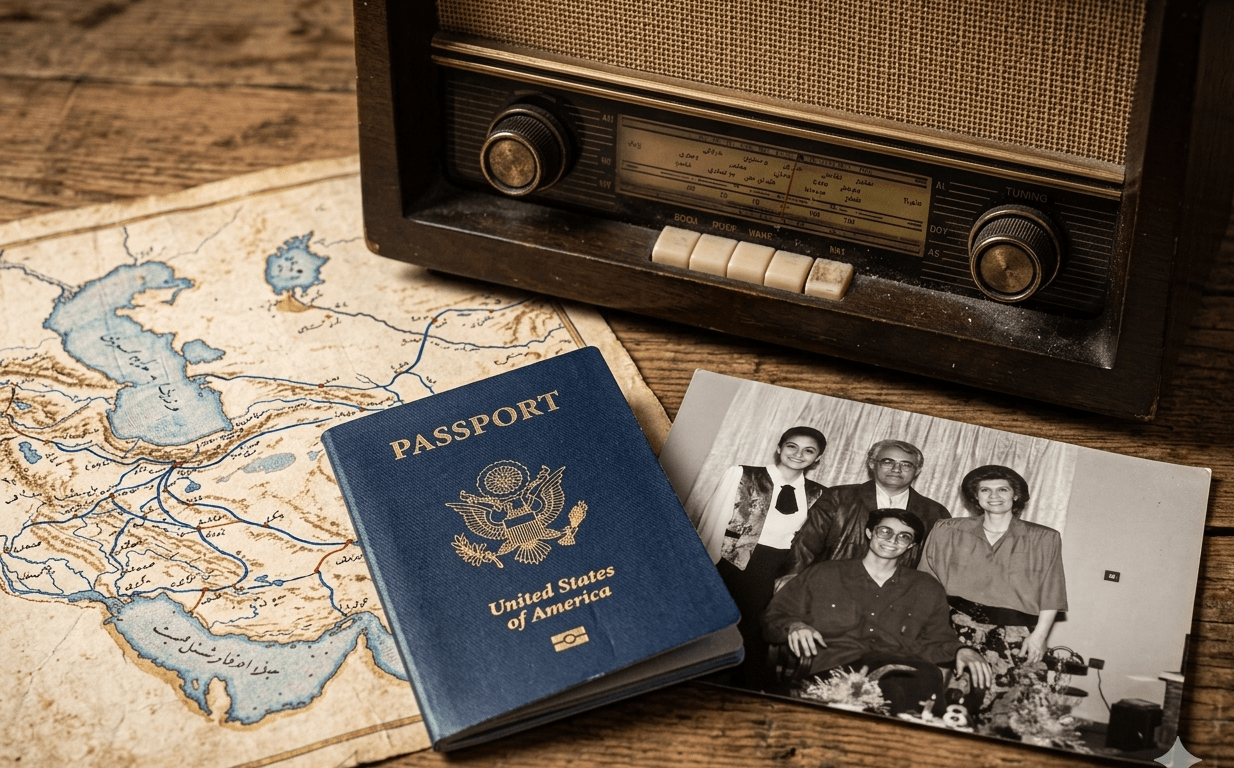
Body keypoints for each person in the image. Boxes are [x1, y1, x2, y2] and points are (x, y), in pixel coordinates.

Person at [762, 510, 991, 714]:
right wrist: (795, 625)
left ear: (911, 545)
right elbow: (774, 617)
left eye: (904, 536)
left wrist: (962, 650)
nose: (892, 540)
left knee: (916, 680)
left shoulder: (926, 587)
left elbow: (936, 639)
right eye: (885, 531)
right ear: (870, 532)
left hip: (902, 673)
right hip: (832, 670)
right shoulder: (824, 574)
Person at [918, 464, 1068, 717]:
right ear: (975, 497)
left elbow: (1052, 591)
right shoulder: (947, 530)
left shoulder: (1044, 538)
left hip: (1014, 635)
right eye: (985, 490)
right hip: (952, 629)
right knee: (940, 705)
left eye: (1002, 489)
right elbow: (925, 584)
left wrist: (1039, 637)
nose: (994, 496)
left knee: (1007, 711)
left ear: (1015, 495)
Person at [692, 426, 829, 688]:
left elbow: (809, 541)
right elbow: (713, 521)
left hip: (778, 569)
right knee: (724, 626)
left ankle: (739, 687)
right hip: (734, 563)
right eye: (792, 446)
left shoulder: (818, 493)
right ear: (779, 447)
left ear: (817, 458)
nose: (798, 454)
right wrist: (706, 567)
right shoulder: (743, 474)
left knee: (758, 632)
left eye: (809, 450)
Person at [783, 439, 949, 582]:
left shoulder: (935, 513)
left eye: (906, 464)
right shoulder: (839, 496)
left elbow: (937, 565)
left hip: (894, 596)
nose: (896, 469)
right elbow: (806, 543)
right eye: (887, 462)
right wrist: (792, 576)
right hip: (831, 585)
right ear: (872, 464)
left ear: (917, 470)